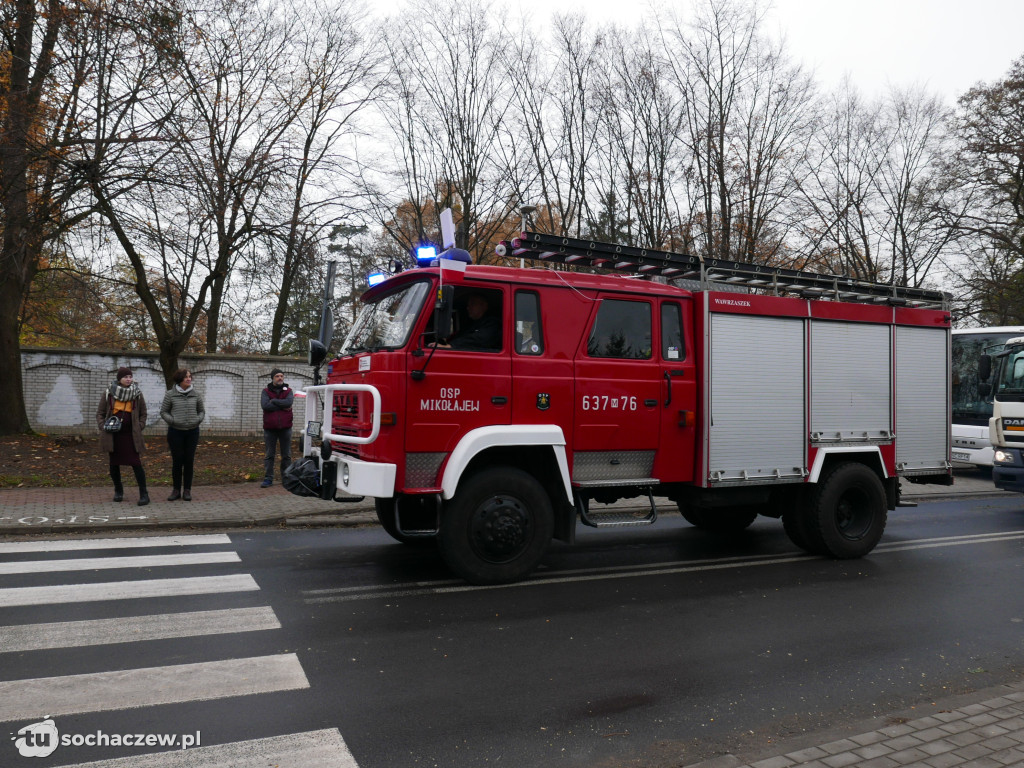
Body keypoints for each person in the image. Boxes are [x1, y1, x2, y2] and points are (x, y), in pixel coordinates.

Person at [95, 366, 150, 506]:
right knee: (114, 463)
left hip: (131, 435)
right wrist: (103, 427)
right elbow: (100, 413)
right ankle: (118, 491)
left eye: (130, 377)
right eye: (126, 377)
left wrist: (140, 425)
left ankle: (144, 494)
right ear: (119, 379)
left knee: (136, 463)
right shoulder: (109, 393)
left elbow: (143, 412)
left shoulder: (137, 393)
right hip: (113, 435)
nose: (129, 379)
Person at [160, 368, 205, 501]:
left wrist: (196, 420)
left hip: (192, 432)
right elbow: (164, 412)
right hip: (175, 432)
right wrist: (173, 421)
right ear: (180, 379)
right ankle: (175, 490)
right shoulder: (170, 394)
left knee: (189, 461)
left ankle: (187, 490)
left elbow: (201, 411)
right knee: (177, 461)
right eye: (186, 377)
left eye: (190, 376)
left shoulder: (196, 394)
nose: (189, 379)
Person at [260, 367, 294, 488]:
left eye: (281, 376)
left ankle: (286, 478)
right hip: (270, 429)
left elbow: (289, 403)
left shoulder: (288, 390)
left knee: (286, 455)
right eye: (277, 376)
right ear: (273, 378)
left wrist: (273, 401)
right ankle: (268, 478)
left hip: (285, 428)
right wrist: (279, 403)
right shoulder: (265, 391)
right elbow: (265, 406)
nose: (280, 378)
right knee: (270, 454)